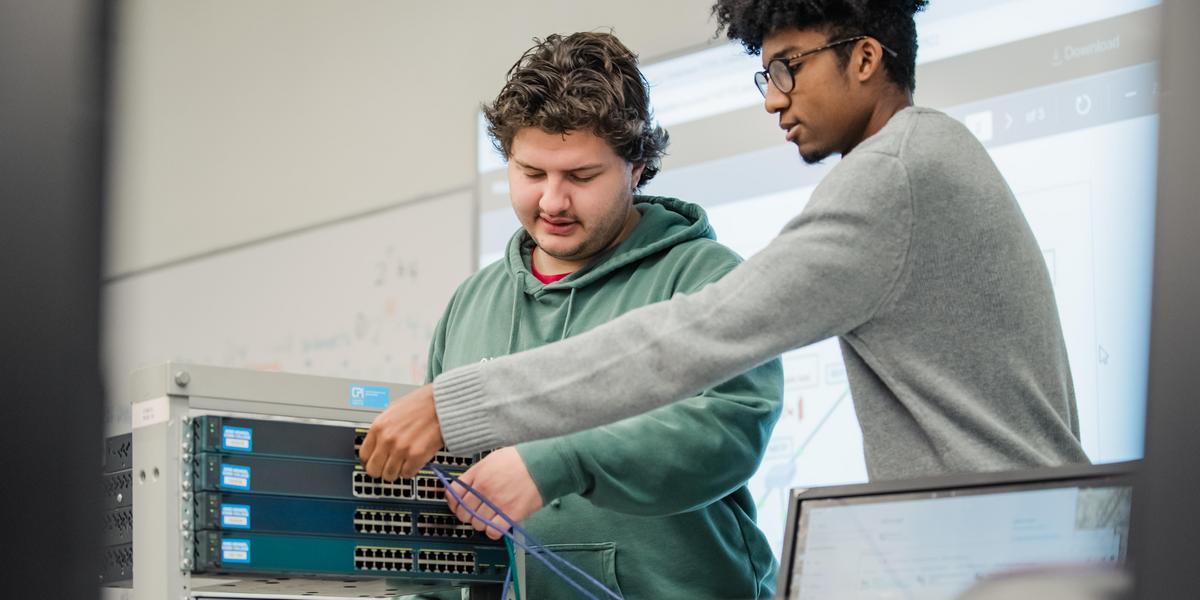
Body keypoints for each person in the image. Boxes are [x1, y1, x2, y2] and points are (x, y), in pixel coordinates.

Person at [360, 0, 1090, 529]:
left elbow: (697, 335)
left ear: (865, 57)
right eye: (765, 73)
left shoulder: (896, 174)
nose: (774, 99)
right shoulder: (931, 158)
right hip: (1013, 532)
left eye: (787, 68)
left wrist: (455, 404)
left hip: (1004, 542)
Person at [410, 32, 784, 599]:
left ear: (637, 167)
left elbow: (729, 428)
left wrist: (558, 461)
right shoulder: (470, 304)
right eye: (531, 173)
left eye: (581, 177)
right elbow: (436, 499)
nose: (552, 202)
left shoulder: (702, 278)